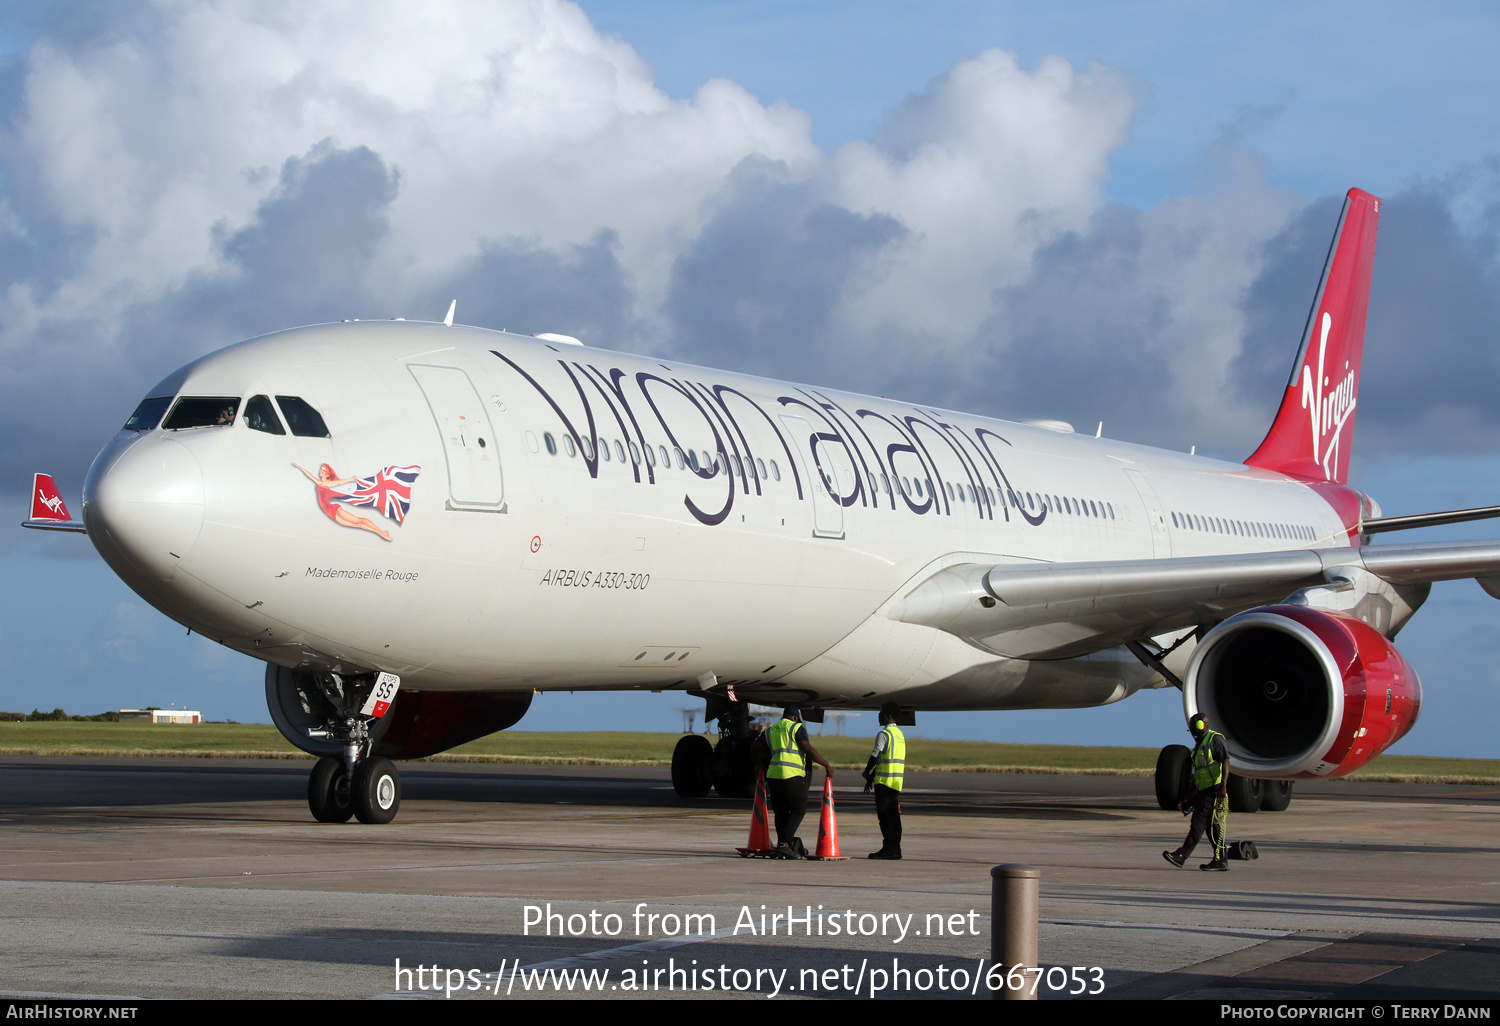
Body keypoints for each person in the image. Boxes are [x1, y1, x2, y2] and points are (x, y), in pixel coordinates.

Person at [752, 705, 833, 859]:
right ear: (795, 717)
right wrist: (825, 763)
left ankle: (786, 844)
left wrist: (758, 764)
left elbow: (754, 747)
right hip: (792, 775)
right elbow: (807, 748)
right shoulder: (797, 728)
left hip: (774, 775)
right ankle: (784, 843)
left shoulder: (770, 730)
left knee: (781, 811)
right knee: (798, 809)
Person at [1163, 712, 1230, 871]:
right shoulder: (1200, 743)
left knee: (1198, 823)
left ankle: (1182, 855)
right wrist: (1190, 796)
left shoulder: (1214, 740)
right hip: (1203, 789)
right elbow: (1199, 772)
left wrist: (1223, 784)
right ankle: (1221, 860)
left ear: (1200, 726)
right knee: (1211, 827)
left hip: (1212, 789)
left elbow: (1225, 761)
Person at [862, 703, 905, 860]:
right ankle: (896, 847)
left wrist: (867, 772)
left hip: (884, 783)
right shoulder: (899, 735)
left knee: (885, 817)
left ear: (889, 716)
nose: (878, 716)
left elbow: (876, 756)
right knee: (894, 816)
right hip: (896, 782)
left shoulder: (884, 734)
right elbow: (886, 759)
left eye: (881, 714)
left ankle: (888, 847)